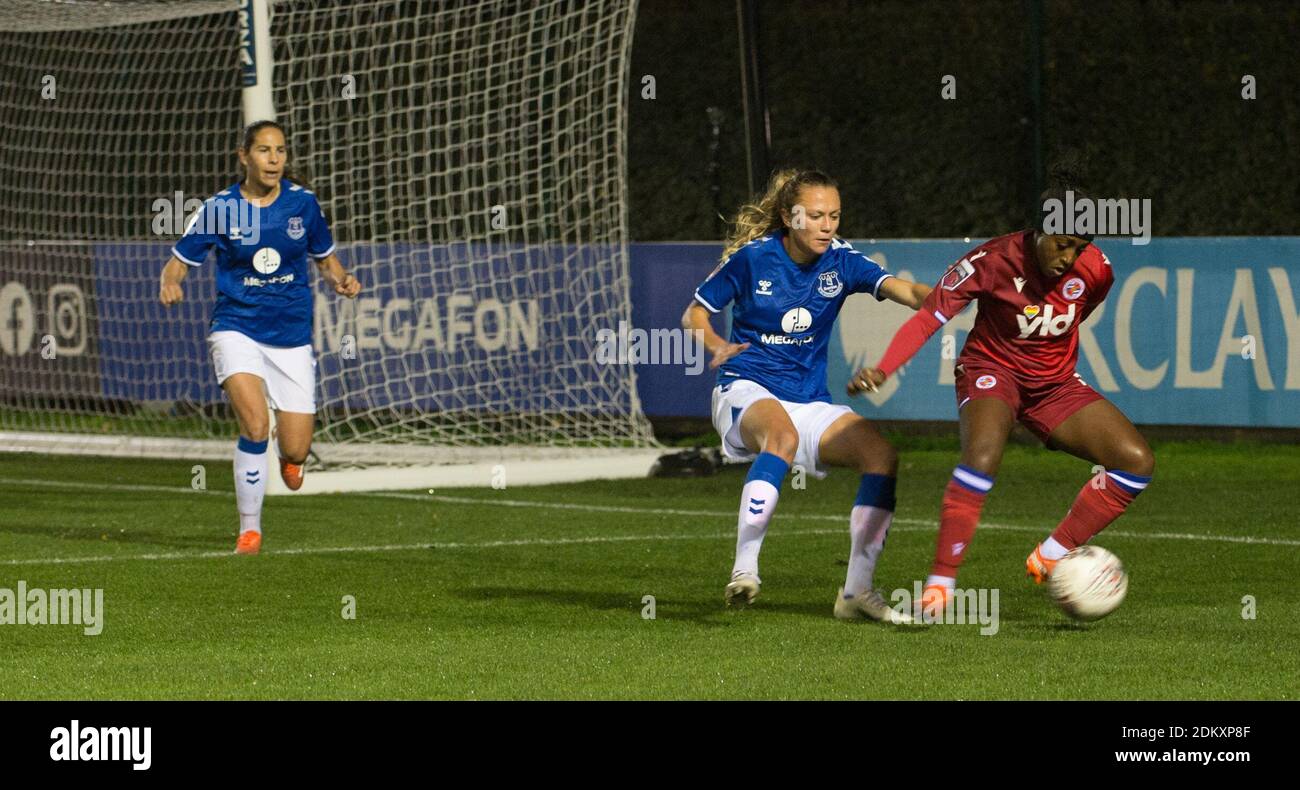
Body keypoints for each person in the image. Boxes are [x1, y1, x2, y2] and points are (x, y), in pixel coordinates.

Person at [848, 173, 1154, 617]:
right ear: (1038, 230)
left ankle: (1052, 553)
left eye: (1079, 247)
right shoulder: (991, 259)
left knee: (1137, 464)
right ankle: (940, 585)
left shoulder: (1097, 270)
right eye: (1061, 243)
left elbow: (1075, 314)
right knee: (984, 456)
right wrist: (883, 367)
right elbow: (930, 315)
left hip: (1054, 385)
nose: (1069, 257)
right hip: (991, 372)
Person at [682, 168, 931, 622]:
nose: (827, 225)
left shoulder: (842, 261)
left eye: (834, 215)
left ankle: (857, 593)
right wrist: (716, 346)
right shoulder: (753, 259)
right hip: (745, 385)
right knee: (781, 437)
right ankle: (744, 571)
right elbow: (695, 314)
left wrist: (949, 297)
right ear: (789, 216)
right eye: (816, 216)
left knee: (881, 457)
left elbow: (909, 292)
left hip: (807, 398)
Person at [159, 120, 361, 555]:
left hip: (290, 336)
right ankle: (249, 529)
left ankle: (291, 457)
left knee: (296, 448)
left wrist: (342, 280)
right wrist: (171, 282)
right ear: (244, 156)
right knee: (254, 423)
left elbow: (326, 260)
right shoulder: (220, 208)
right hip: (236, 327)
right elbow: (178, 260)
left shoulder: (303, 204)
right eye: (265, 151)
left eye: (281, 151)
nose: (274, 159)